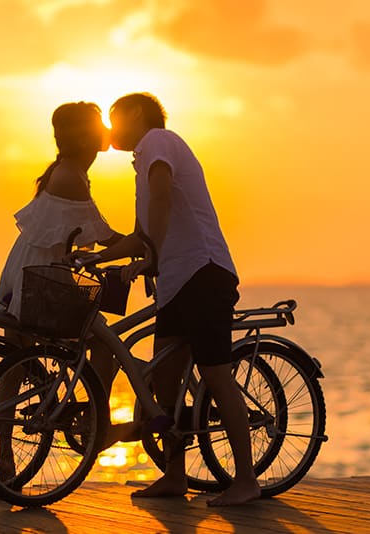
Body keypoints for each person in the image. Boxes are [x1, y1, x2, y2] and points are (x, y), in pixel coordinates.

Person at [77, 93, 261, 506]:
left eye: (114, 118)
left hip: (204, 272)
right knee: (163, 379)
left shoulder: (158, 141)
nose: (110, 129)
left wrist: (150, 255)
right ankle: (175, 476)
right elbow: (141, 231)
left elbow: (160, 200)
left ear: (137, 114)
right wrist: (99, 255)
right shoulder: (144, 160)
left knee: (216, 374)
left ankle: (247, 479)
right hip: (177, 283)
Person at [0, 101, 122, 481]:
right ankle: (96, 421)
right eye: (100, 124)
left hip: (27, 275)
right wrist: (148, 245)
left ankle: (4, 457)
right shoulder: (71, 177)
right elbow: (103, 234)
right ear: (84, 135)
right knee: (105, 346)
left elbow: (82, 236)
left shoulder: (67, 171)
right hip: (43, 281)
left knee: (15, 361)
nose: (107, 129)